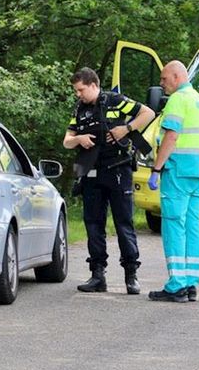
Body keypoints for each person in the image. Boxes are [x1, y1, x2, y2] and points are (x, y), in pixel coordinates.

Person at [64, 67, 156, 294]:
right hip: (91, 172)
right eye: (76, 91)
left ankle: (131, 276)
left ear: (93, 85)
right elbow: (67, 140)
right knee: (93, 224)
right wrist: (79, 139)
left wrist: (126, 129)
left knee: (124, 223)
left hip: (117, 170)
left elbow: (148, 113)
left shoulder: (115, 101)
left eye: (81, 90)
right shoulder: (79, 109)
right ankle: (97, 275)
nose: (79, 95)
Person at [147, 60, 199, 303]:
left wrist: (156, 168)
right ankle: (191, 282)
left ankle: (176, 285)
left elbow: (171, 137)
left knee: (173, 225)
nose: (161, 84)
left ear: (176, 76)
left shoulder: (178, 100)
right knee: (193, 226)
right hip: (197, 171)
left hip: (177, 170)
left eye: (164, 79)